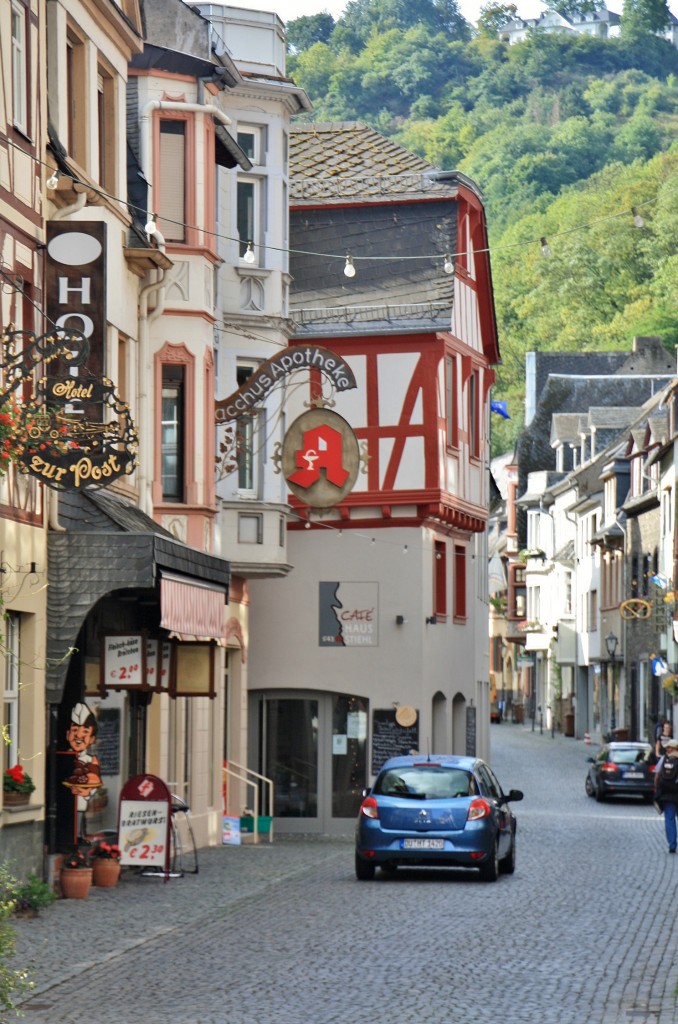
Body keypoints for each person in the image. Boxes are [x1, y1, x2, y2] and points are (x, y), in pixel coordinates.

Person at [655, 737, 678, 853]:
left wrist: (657, 789)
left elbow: (657, 776)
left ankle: (672, 844)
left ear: (670, 749)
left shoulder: (664, 760)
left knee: (669, 819)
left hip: (667, 795)